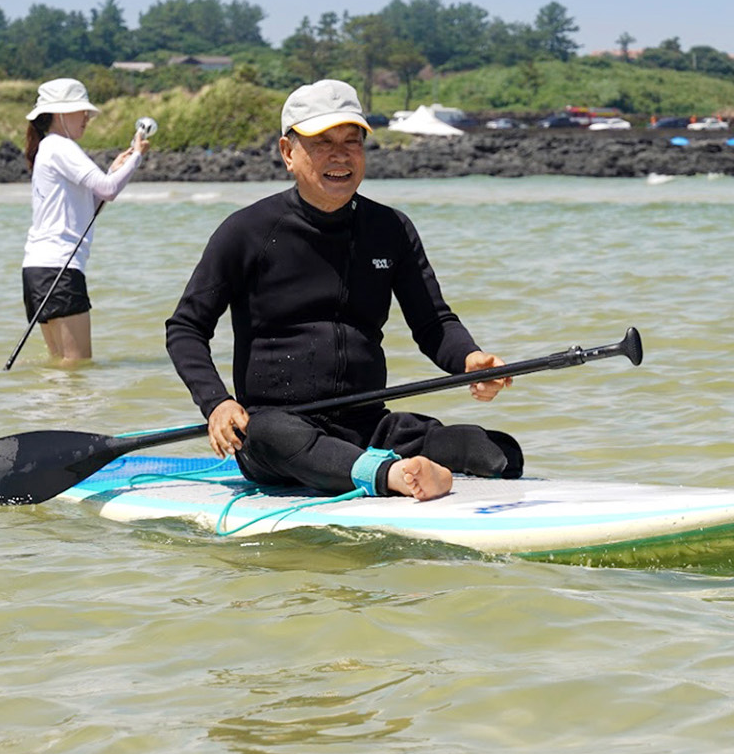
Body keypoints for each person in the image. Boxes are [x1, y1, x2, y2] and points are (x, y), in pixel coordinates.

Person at [165, 79, 520, 502]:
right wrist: (217, 404)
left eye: (352, 141)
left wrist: (470, 359)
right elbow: (185, 328)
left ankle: (384, 466)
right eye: (322, 142)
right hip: (281, 428)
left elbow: (433, 322)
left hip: (369, 425)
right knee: (268, 434)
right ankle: (389, 475)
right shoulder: (247, 232)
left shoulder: (390, 229)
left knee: (498, 453)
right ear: (287, 153)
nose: (340, 155)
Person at [21, 78, 150, 363]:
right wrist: (136, 157)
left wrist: (115, 169)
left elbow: (92, 205)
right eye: (83, 112)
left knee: (62, 365)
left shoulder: (49, 148)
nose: (88, 118)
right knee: (77, 366)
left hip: (38, 270)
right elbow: (108, 189)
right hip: (59, 269)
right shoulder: (60, 147)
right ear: (60, 113)